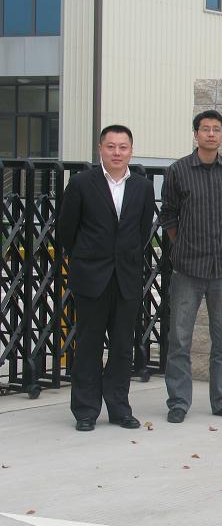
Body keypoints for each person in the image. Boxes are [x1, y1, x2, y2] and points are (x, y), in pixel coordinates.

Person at [58, 124, 155, 431]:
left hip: (126, 277)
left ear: (131, 151)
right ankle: (86, 410)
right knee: (88, 344)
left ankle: (119, 408)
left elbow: (142, 230)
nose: (117, 152)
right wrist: (86, 257)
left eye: (123, 147)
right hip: (91, 277)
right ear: (100, 148)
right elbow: (66, 230)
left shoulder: (142, 186)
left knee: (123, 346)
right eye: (111, 146)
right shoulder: (81, 183)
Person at [160, 110, 222, 423]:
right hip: (187, 269)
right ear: (196, 134)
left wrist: (218, 235)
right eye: (205, 129)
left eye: (216, 129)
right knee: (180, 340)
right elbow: (168, 215)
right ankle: (178, 402)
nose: (211, 134)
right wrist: (184, 243)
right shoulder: (178, 171)